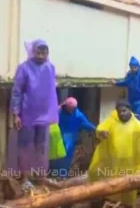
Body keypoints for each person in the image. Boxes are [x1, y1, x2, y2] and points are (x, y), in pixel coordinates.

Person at [8, 39, 59, 189]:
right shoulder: (24, 68)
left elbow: (51, 92)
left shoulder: (50, 67)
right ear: (32, 52)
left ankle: (40, 177)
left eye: (44, 52)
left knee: (41, 146)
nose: (42, 56)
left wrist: (52, 111)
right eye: (39, 52)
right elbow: (17, 92)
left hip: (44, 115)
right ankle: (24, 178)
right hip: (27, 114)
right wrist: (15, 114)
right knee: (24, 146)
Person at [87, 100, 140, 208]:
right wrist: (102, 132)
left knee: (129, 184)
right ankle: (105, 202)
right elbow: (100, 128)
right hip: (112, 160)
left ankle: (128, 207)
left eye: (124, 111)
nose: (121, 113)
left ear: (130, 110)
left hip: (130, 162)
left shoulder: (138, 127)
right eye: (119, 111)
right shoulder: (112, 120)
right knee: (109, 181)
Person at [50, 97, 96, 178]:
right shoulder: (58, 111)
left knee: (66, 156)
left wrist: (97, 129)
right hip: (56, 136)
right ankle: (52, 174)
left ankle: (62, 175)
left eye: (73, 109)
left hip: (69, 139)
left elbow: (87, 124)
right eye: (70, 108)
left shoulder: (78, 115)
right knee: (53, 155)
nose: (71, 110)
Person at [113, 56, 140, 123]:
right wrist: (116, 83)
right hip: (131, 98)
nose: (133, 69)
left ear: (138, 66)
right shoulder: (130, 73)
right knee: (131, 116)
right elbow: (126, 82)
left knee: (139, 117)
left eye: (134, 67)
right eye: (131, 68)